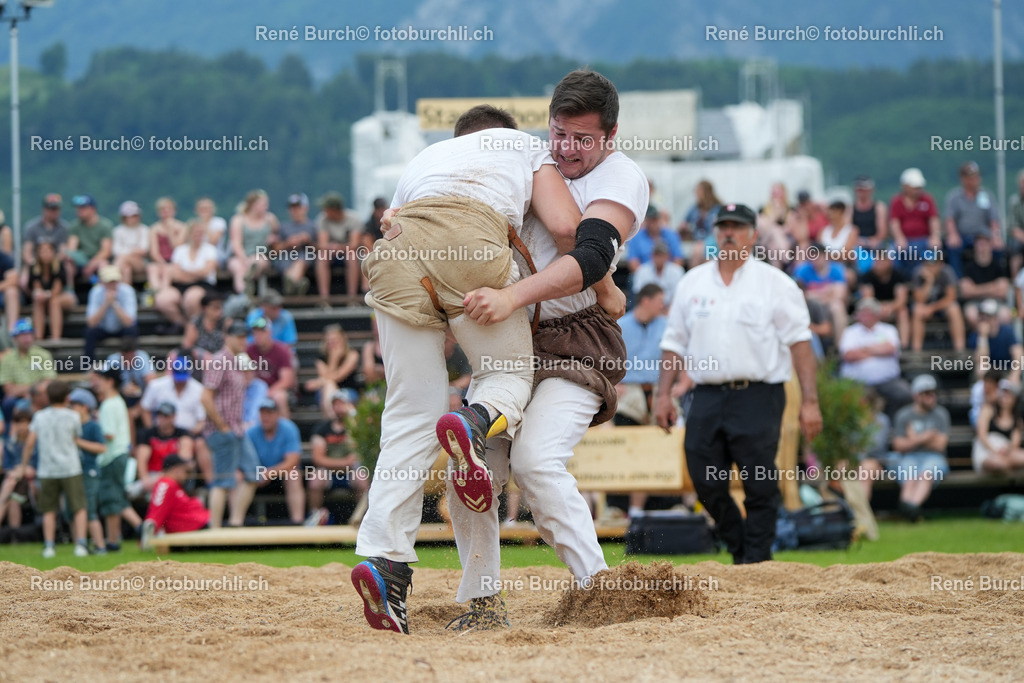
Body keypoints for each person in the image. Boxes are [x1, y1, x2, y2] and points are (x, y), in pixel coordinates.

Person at [351, 102, 589, 635]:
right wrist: (605, 283)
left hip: (396, 253)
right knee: (507, 375)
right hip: (469, 239)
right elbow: (564, 226)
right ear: (505, 133)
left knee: (410, 413)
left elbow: (388, 223)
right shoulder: (526, 146)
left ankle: (385, 559)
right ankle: (478, 421)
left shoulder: (426, 156)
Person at [446, 73, 649, 631]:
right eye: (559, 133)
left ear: (610, 136)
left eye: (582, 138)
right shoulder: (529, 160)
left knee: (536, 461)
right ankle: (482, 602)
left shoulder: (623, 176)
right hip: (510, 342)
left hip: (578, 338)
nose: (567, 148)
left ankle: (600, 590)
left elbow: (587, 252)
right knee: (472, 462)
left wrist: (515, 294)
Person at [654, 203, 822, 564]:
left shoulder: (775, 283)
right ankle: (740, 546)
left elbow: (801, 343)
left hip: (759, 395)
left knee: (759, 481)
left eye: (737, 226)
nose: (729, 232)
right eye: (723, 226)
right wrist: (662, 395)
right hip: (707, 395)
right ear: (715, 233)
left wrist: (810, 401)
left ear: (752, 235)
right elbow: (673, 343)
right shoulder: (692, 282)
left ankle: (756, 560)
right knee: (703, 478)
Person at [16, 380, 89, 558]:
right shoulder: (73, 416)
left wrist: (24, 466)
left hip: (47, 469)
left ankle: (49, 546)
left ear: (48, 396)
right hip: (71, 468)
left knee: (49, 509)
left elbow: (30, 443)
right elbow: (76, 438)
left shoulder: (40, 416)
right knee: (78, 507)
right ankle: (81, 544)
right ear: (67, 397)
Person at [614, 283, 667, 519]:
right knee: (627, 448)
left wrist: (677, 387)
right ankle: (620, 507)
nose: (662, 305)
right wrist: (613, 385)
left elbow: (680, 357)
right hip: (630, 393)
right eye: (659, 300)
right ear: (646, 301)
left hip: (658, 392)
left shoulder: (665, 325)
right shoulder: (623, 326)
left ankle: (658, 505)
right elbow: (608, 359)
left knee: (661, 449)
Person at [201, 320, 258, 528]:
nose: (243, 340)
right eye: (239, 337)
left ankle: (235, 525)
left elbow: (249, 383)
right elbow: (205, 397)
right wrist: (222, 426)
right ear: (228, 337)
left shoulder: (238, 359)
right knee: (223, 481)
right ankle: (214, 530)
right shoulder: (219, 360)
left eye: (245, 336)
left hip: (237, 429)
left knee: (253, 474)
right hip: (222, 430)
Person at [888, 374, 950, 522]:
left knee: (926, 474)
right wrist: (926, 436)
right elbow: (898, 446)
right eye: (927, 393)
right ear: (916, 396)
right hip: (908, 457)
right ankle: (910, 509)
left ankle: (910, 508)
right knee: (909, 475)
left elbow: (940, 445)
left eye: (933, 393)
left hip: (934, 457)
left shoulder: (941, 414)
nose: (932, 397)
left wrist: (913, 439)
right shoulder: (904, 415)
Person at [839, 298, 913, 419]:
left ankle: (891, 423)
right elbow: (849, 355)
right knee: (848, 398)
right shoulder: (850, 332)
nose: (865, 316)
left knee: (905, 394)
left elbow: (890, 349)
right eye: (862, 313)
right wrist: (877, 350)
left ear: (876, 314)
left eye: (868, 313)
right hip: (857, 382)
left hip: (887, 381)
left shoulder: (888, 329)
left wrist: (863, 349)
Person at [93, 364, 140, 550]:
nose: (98, 384)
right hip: (120, 454)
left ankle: (121, 535)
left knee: (111, 499)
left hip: (112, 456)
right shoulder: (118, 401)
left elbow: (109, 434)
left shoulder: (108, 405)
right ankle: (125, 534)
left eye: (101, 380)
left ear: (110, 382)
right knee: (116, 498)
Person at [307, 388, 369, 526]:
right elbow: (318, 458)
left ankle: (364, 520)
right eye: (335, 404)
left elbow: (359, 453)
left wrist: (352, 416)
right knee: (315, 479)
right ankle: (315, 516)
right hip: (329, 473)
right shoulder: (322, 428)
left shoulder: (358, 426)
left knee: (362, 479)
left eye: (342, 404)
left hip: (351, 472)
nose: (338, 408)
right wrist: (343, 462)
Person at [247, 398, 304, 524]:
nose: (266, 417)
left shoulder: (289, 428)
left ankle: (297, 522)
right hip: (257, 475)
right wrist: (258, 473)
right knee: (239, 476)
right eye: (263, 413)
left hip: (280, 474)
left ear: (277, 414)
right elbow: (245, 461)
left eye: (270, 413)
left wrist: (269, 473)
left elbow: (293, 461)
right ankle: (236, 522)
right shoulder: (251, 432)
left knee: (294, 475)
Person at [155, 222, 219, 334]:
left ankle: (195, 330)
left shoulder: (210, 249)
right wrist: (195, 273)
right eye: (195, 232)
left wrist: (186, 272)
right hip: (181, 285)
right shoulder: (180, 250)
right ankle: (183, 325)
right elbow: (176, 274)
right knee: (162, 299)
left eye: (200, 232)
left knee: (192, 298)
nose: (198, 235)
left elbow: (207, 271)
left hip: (203, 285)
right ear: (189, 234)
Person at [945, 161, 1003, 278]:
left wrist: (996, 236)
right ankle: (958, 281)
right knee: (953, 248)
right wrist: (953, 234)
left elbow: (994, 220)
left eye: (976, 176)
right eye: (970, 177)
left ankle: (997, 277)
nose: (974, 179)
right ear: (963, 178)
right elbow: (949, 219)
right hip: (963, 236)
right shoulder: (954, 197)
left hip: (983, 236)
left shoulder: (987, 195)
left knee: (998, 249)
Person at [141, 453, 210, 548]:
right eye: (185, 471)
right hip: (198, 526)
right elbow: (156, 511)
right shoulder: (166, 484)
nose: (186, 475)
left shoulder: (171, 485)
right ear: (176, 470)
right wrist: (151, 531)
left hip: (201, 523)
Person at [69, 387, 108, 554]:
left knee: (89, 509)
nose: (71, 408)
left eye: (74, 404)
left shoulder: (93, 426)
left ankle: (100, 546)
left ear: (85, 406)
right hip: (74, 472)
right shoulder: (72, 425)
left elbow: (101, 447)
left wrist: (78, 442)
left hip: (90, 471)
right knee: (73, 510)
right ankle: (80, 545)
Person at [0, 319, 57, 427]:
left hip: (40, 395)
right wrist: (32, 388)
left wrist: (31, 392)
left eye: (30, 334)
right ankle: (11, 436)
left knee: (49, 398)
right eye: (23, 335)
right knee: (8, 403)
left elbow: (48, 382)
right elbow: (8, 389)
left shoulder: (43, 355)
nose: (27, 338)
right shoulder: (8, 359)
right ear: (15, 338)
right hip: (19, 397)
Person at [133, 402, 193, 496]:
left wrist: (160, 477)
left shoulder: (182, 433)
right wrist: (145, 480)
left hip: (173, 477)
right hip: (151, 476)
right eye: (159, 415)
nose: (162, 418)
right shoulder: (149, 434)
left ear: (173, 417)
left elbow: (185, 458)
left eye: (166, 415)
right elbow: (141, 459)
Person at [889, 168, 941, 277]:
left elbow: (933, 219)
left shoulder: (927, 200)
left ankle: (931, 279)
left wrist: (935, 236)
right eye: (914, 187)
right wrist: (899, 237)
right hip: (906, 241)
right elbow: (894, 222)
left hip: (924, 240)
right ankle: (900, 280)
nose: (917, 190)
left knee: (935, 250)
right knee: (893, 252)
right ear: (905, 186)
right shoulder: (897, 202)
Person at [314, 192, 364, 300]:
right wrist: (332, 248)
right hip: (330, 253)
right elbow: (322, 244)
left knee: (352, 256)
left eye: (326, 208)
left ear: (334, 209)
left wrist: (339, 248)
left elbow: (354, 245)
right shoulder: (322, 219)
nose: (323, 211)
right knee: (322, 256)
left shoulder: (353, 219)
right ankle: (324, 299)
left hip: (349, 252)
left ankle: (352, 298)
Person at [793, 243, 849, 339]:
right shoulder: (802, 270)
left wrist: (815, 295)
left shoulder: (836, 269)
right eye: (813, 255)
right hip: (811, 306)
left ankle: (840, 346)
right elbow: (799, 293)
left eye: (819, 255)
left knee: (838, 307)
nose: (816, 259)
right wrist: (827, 291)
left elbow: (840, 295)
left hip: (829, 304)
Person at [910, 253, 965, 352]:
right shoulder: (918, 273)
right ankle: (916, 352)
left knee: (954, 308)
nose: (931, 267)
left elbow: (951, 297)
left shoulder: (947, 271)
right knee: (917, 310)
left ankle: (960, 350)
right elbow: (919, 299)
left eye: (934, 264)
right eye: (928, 264)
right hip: (924, 307)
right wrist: (929, 282)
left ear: (940, 263)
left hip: (941, 306)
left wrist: (932, 308)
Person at [228, 189, 279, 295]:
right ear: (252, 205)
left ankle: (246, 293)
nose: (266, 207)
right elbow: (236, 243)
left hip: (261, 255)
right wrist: (244, 259)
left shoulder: (270, 219)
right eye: (263, 204)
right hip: (240, 255)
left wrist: (272, 240)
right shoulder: (238, 220)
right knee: (238, 268)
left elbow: (277, 237)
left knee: (256, 262)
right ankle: (244, 294)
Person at [84, 265, 139, 360]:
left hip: (122, 328)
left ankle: (133, 363)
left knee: (132, 331)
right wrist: (105, 303)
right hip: (102, 329)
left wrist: (114, 303)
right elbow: (91, 323)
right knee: (89, 332)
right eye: (109, 282)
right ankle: (89, 367)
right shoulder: (95, 292)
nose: (112, 285)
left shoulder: (128, 291)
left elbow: (129, 322)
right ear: (102, 283)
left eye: (114, 281)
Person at [303, 324, 360, 414]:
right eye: (329, 341)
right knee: (329, 385)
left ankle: (334, 420)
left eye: (335, 341)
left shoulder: (352, 355)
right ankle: (334, 419)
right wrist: (333, 359)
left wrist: (318, 382)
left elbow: (339, 376)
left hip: (348, 390)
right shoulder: (321, 360)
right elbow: (328, 378)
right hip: (325, 393)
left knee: (329, 384)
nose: (332, 344)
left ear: (343, 340)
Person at [859, 249, 910, 348]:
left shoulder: (898, 275)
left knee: (903, 312)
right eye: (877, 260)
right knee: (867, 313)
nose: (878, 263)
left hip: (893, 308)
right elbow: (868, 299)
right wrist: (879, 308)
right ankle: (869, 345)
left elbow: (901, 299)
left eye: (882, 260)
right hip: (875, 308)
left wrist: (890, 308)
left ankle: (904, 346)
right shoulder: (867, 276)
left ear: (889, 261)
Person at [25, 239, 75, 340]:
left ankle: (55, 337)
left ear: (53, 252)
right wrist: (40, 295)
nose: (45, 254)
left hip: (64, 297)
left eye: (48, 250)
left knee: (54, 301)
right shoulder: (34, 267)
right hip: (44, 300)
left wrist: (45, 295)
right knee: (38, 301)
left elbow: (57, 290)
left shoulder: (59, 265)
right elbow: (36, 288)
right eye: (42, 251)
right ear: (38, 253)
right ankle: (38, 337)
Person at [246, 316, 295, 417]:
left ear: (270, 333)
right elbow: (245, 378)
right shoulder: (248, 351)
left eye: (262, 332)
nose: (258, 335)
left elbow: (286, 380)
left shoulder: (282, 350)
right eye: (255, 332)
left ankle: (284, 430)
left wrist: (266, 392)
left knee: (280, 397)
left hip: (275, 389)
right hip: (254, 389)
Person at [973, 379, 1024, 474]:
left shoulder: (1018, 420)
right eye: (1003, 394)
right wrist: (994, 451)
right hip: (986, 451)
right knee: (999, 464)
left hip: (1006, 453)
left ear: (1014, 399)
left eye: (1008, 395)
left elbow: (1014, 444)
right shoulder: (987, 409)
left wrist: (1006, 450)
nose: (1005, 397)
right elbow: (981, 435)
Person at [960, 233, 1010, 329]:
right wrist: (993, 287)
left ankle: (996, 341)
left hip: (996, 302)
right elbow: (966, 292)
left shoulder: (999, 266)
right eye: (979, 244)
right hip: (975, 303)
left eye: (985, 243)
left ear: (990, 245)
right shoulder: (968, 267)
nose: (982, 247)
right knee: (971, 314)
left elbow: (1003, 291)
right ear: (975, 246)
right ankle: (981, 339)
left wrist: (975, 289)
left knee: (1005, 315)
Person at [270, 193, 316, 296]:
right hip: (286, 255)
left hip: (305, 254)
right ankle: (297, 285)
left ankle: (291, 286)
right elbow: (275, 250)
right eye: (292, 208)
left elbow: (320, 248)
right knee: (285, 260)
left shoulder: (313, 226)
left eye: (298, 207)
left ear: (305, 208)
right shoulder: (283, 227)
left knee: (302, 259)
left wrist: (308, 241)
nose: (295, 211)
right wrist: (288, 243)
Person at [970, 298, 1023, 383]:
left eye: (988, 316)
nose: (985, 319)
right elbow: (981, 360)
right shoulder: (976, 336)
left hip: (1006, 371)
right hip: (988, 375)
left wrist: (1015, 374)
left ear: (995, 318)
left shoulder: (1007, 332)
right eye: (982, 316)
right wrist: (983, 337)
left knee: (1016, 381)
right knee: (981, 369)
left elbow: (1018, 353)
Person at [0, 403, 35, 529]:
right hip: (16, 482)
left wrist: (22, 470)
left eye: (24, 423)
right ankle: (15, 535)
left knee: (9, 485)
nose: (21, 427)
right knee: (13, 500)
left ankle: (2, 500)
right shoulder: (10, 443)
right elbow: (7, 466)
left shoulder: (36, 443)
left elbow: (37, 466)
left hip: (31, 480)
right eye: (18, 423)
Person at [67, 194, 114, 282]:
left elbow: (106, 251)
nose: (79, 210)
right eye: (78, 208)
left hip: (98, 259)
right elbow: (72, 249)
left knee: (103, 266)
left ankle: (101, 292)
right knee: (68, 264)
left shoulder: (105, 225)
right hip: (81, 261)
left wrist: (91, 264)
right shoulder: (74, 226)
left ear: (93, 209)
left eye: (83, 208)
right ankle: (70, 291)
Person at [146, 198, 189, 293]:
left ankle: (164, 293)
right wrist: (162, 263)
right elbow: (154, 251)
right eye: (163, 209)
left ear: (174, 211)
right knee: (152, 268)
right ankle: (155, 292)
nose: (166, 212)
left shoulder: (182, 227)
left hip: (176, 261)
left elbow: (178, 247)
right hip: (161, 261)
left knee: (167, 271)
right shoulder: (154, 228)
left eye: (169, 209)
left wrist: (170, 231)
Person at [22, 193, 69, 268]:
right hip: (35, 264)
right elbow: (27, 251)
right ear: (44, 209)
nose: (55, 212)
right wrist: (34, 265)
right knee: (25, 275)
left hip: (56, 266)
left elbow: (63, 251)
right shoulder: (31, 227)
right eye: (52, 209)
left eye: (57, 209)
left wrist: (52, 265)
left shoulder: (64, 228)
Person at [631, 241, 683, 306]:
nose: (659, 258)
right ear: (651, 255)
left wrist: (668, 311)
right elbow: (639, 295)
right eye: (656, 255)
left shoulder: (677, 271)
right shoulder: (642, 270)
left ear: (667, 256)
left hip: (670, 309)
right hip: (648, 309)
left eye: (661, 255)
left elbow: (679, 296)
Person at [111, 200, 150, 284]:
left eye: (135, 215)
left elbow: (144, 249)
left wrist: (126, 253)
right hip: (126, 261)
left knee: (122, 258)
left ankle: (111, 278)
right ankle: (125, 293)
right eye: (131, 216)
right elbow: (116, 250)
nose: (133, 218)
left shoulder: (144, 229)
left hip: (140, 264)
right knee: (126, 269)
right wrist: (134, 252)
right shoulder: (118, 231)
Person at [182, 293, 227, 361]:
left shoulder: (225, 322)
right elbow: (187, 346)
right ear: (205, 308)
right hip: (200, 361)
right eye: (215, 308)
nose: (219, 312)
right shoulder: (196, 322)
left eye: (220, 307)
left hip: (221, 360)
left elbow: (229, 346)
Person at [851, 175, 888, 249]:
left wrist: (873, 240)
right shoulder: (850, 208)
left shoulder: (879, 207)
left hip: (875, 242)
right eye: (859, 190)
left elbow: (882, 232)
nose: (861, 192)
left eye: (864, 190)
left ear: (871, 190)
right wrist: (856, 240)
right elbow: (848, 229)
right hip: (856, 242)